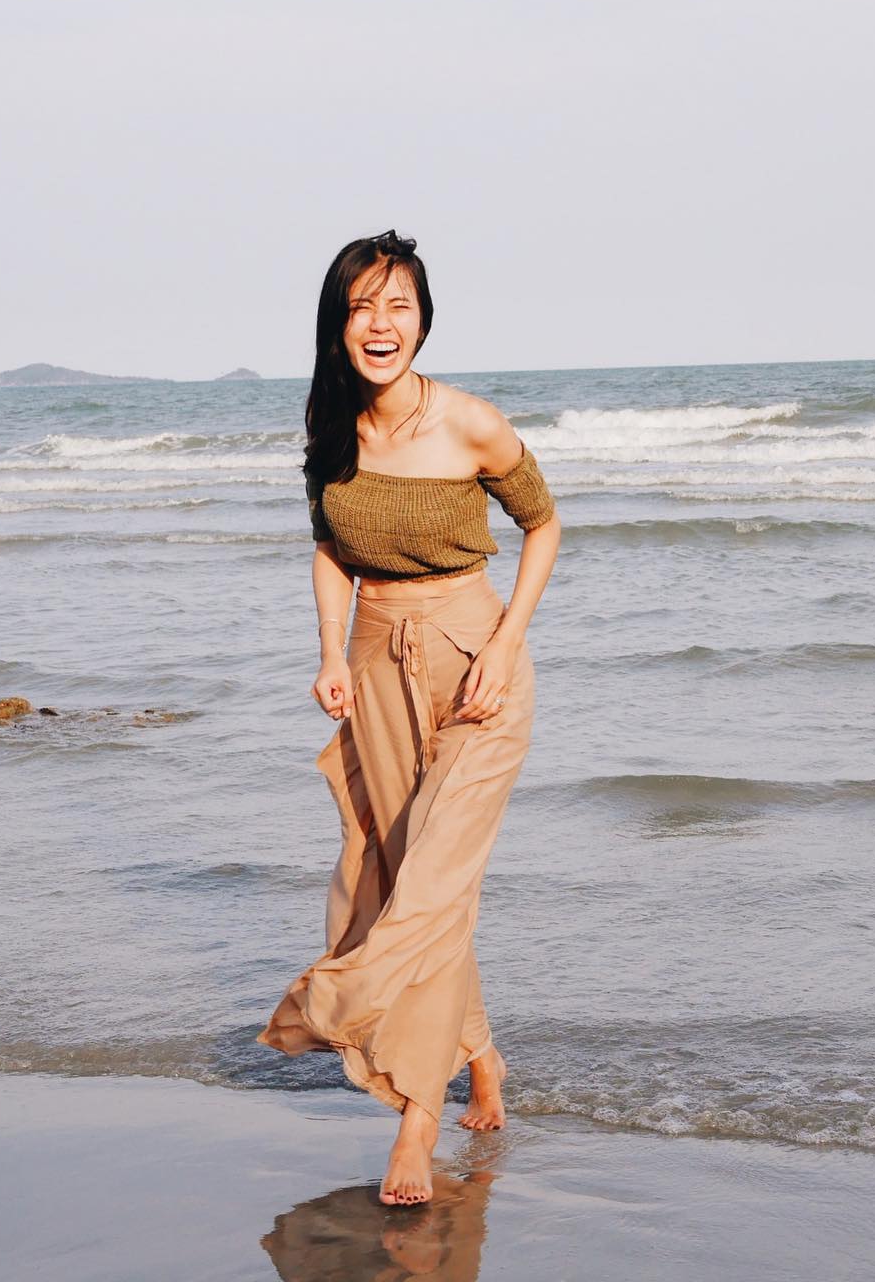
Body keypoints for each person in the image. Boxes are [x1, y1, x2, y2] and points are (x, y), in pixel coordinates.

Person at [257, 229, 561, 1207]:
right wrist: (328, 653)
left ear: (424, 318)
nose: (380, 325)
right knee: (402, 873)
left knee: (431, 882)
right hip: (375, 671)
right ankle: (482, 1058)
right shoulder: (330, 426)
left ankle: (407, 1111)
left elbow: (544, 524)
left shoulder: (470, 423)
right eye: (361, 306)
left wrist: (507, 643)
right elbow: (330, 548)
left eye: (398, 305)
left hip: (477, 667)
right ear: (337, 323)